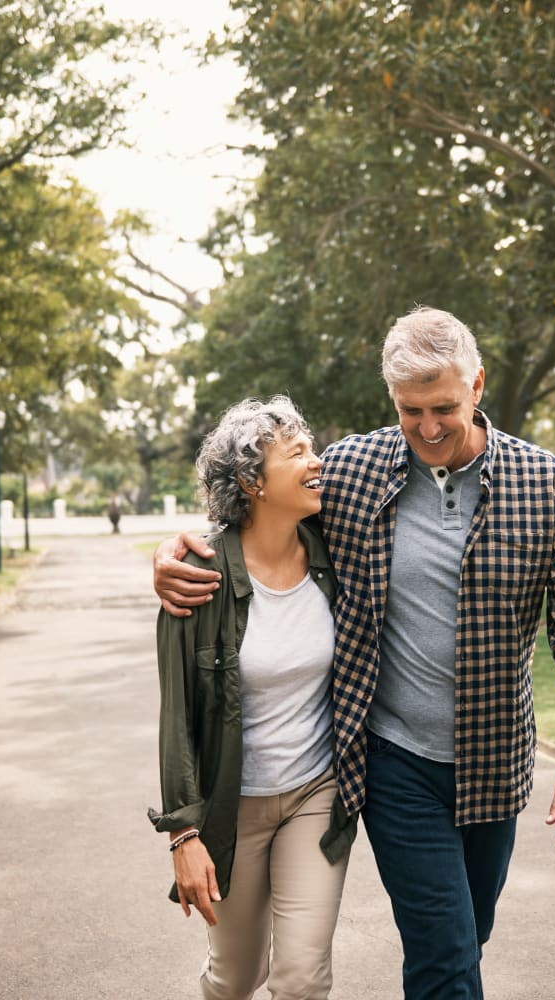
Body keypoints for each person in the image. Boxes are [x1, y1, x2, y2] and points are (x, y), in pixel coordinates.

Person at [153, 307, 555, 1000]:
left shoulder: (547, 485)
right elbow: (256, 510)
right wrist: (174, 553)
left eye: (444, 408)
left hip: (495, 761)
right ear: (391, 401)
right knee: (443, 951)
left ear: (478, 385)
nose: (428, 428)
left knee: (468, 936)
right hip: (393, 761)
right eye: (410, 411)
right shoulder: (351, 470)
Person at [147, 396, 356, 1000]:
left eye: (312, 448)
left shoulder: (334, 553)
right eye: (297, 454)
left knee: (301, 979)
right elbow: (176, 717)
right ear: (250, 481)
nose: (317, 463)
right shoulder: (197, 576)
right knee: (236, 978)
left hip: (317, 795)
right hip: (230, 807)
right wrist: (183, 837)